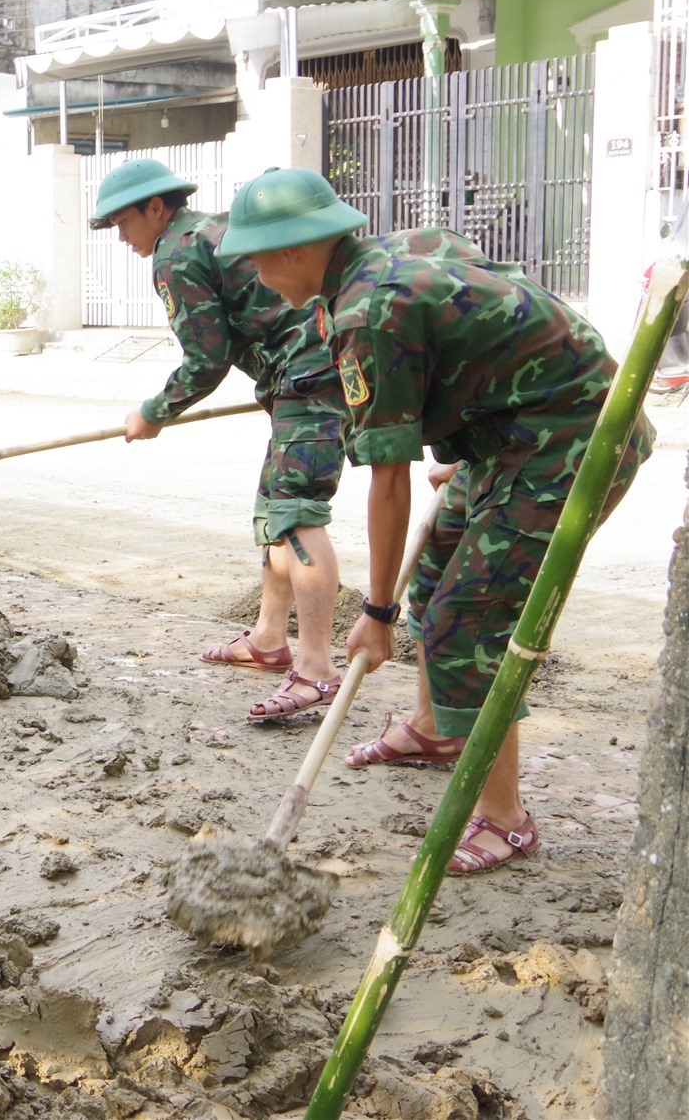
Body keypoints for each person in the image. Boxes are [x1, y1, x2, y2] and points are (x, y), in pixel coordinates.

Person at [216, 167, 654, 875]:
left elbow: (388, 484)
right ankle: (433, 729)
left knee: (464, 620)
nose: (258, 276)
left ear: (296, 249)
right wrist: (479, 419)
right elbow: (491, 304)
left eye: (259, 260)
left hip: (573, 439)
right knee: (437, 572)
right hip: (519, 428)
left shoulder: (366, 312)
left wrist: (378, 614)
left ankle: (505, 818)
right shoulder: (394, 250)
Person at [92, 159, 346, 720]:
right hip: (301, 372)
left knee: (297, 511)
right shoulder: (210, 230)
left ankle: (317, 668)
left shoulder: (177, 252)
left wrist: (154, 411)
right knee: (274, 510)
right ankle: (268, 638)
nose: (121, 235)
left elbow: (207, 357)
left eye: (123, 222)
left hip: (311, 374)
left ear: (155, 208)